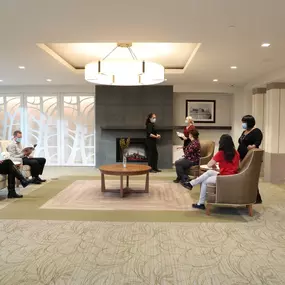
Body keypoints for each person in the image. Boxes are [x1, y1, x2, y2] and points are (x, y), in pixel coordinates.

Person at [182, 134, 240, 210]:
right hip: (233, 176)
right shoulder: (236, 153)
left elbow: (209, 164)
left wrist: (214, 165)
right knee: (209, 172)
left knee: (205, 181)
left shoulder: (221, 153)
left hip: (223, 178)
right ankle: (191, 183)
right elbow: (235, 166)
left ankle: (201, 203)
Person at [237, 115, 263, 204]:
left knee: (250, 177)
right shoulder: (244, 131)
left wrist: (253, 146)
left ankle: (256, 198)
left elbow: (257, 142)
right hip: (241, 157)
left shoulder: (256, 131)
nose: (242, 124)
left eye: (244, 122)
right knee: (242, 176)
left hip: (250, 158)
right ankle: (245, 195)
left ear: (249, 122)